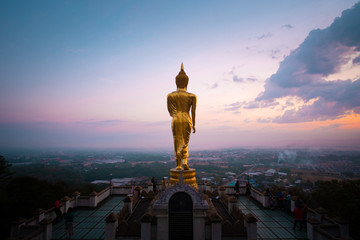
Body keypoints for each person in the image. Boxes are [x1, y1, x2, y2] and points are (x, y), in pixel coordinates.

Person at [167, 63, 197, 171]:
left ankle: (178, 164)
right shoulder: (192, 96)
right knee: (185, 142)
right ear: (186, 82)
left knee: (177, 141)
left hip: (176, 119)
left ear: (176, 82)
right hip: (186, 119)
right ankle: (185, 162)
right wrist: (194, 124)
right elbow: (193, 112)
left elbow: (170, 111)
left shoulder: (170, 95)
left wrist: (176, 115)